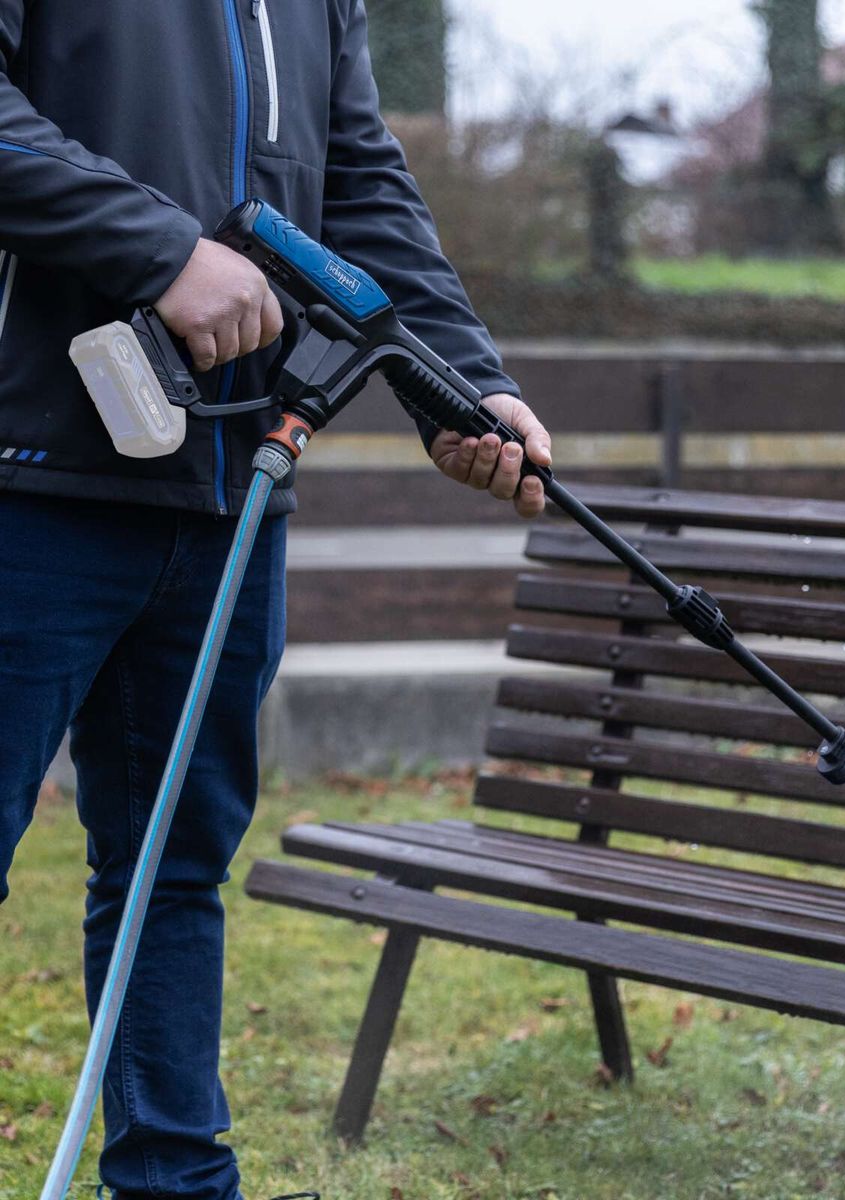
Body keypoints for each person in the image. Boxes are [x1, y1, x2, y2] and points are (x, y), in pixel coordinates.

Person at [0, 2, 550, 1197]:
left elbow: (360, 185)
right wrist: (162, 251)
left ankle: (176, 1181)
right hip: (24, 477)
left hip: (227, 488)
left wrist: (460, 383)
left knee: (171, 870)